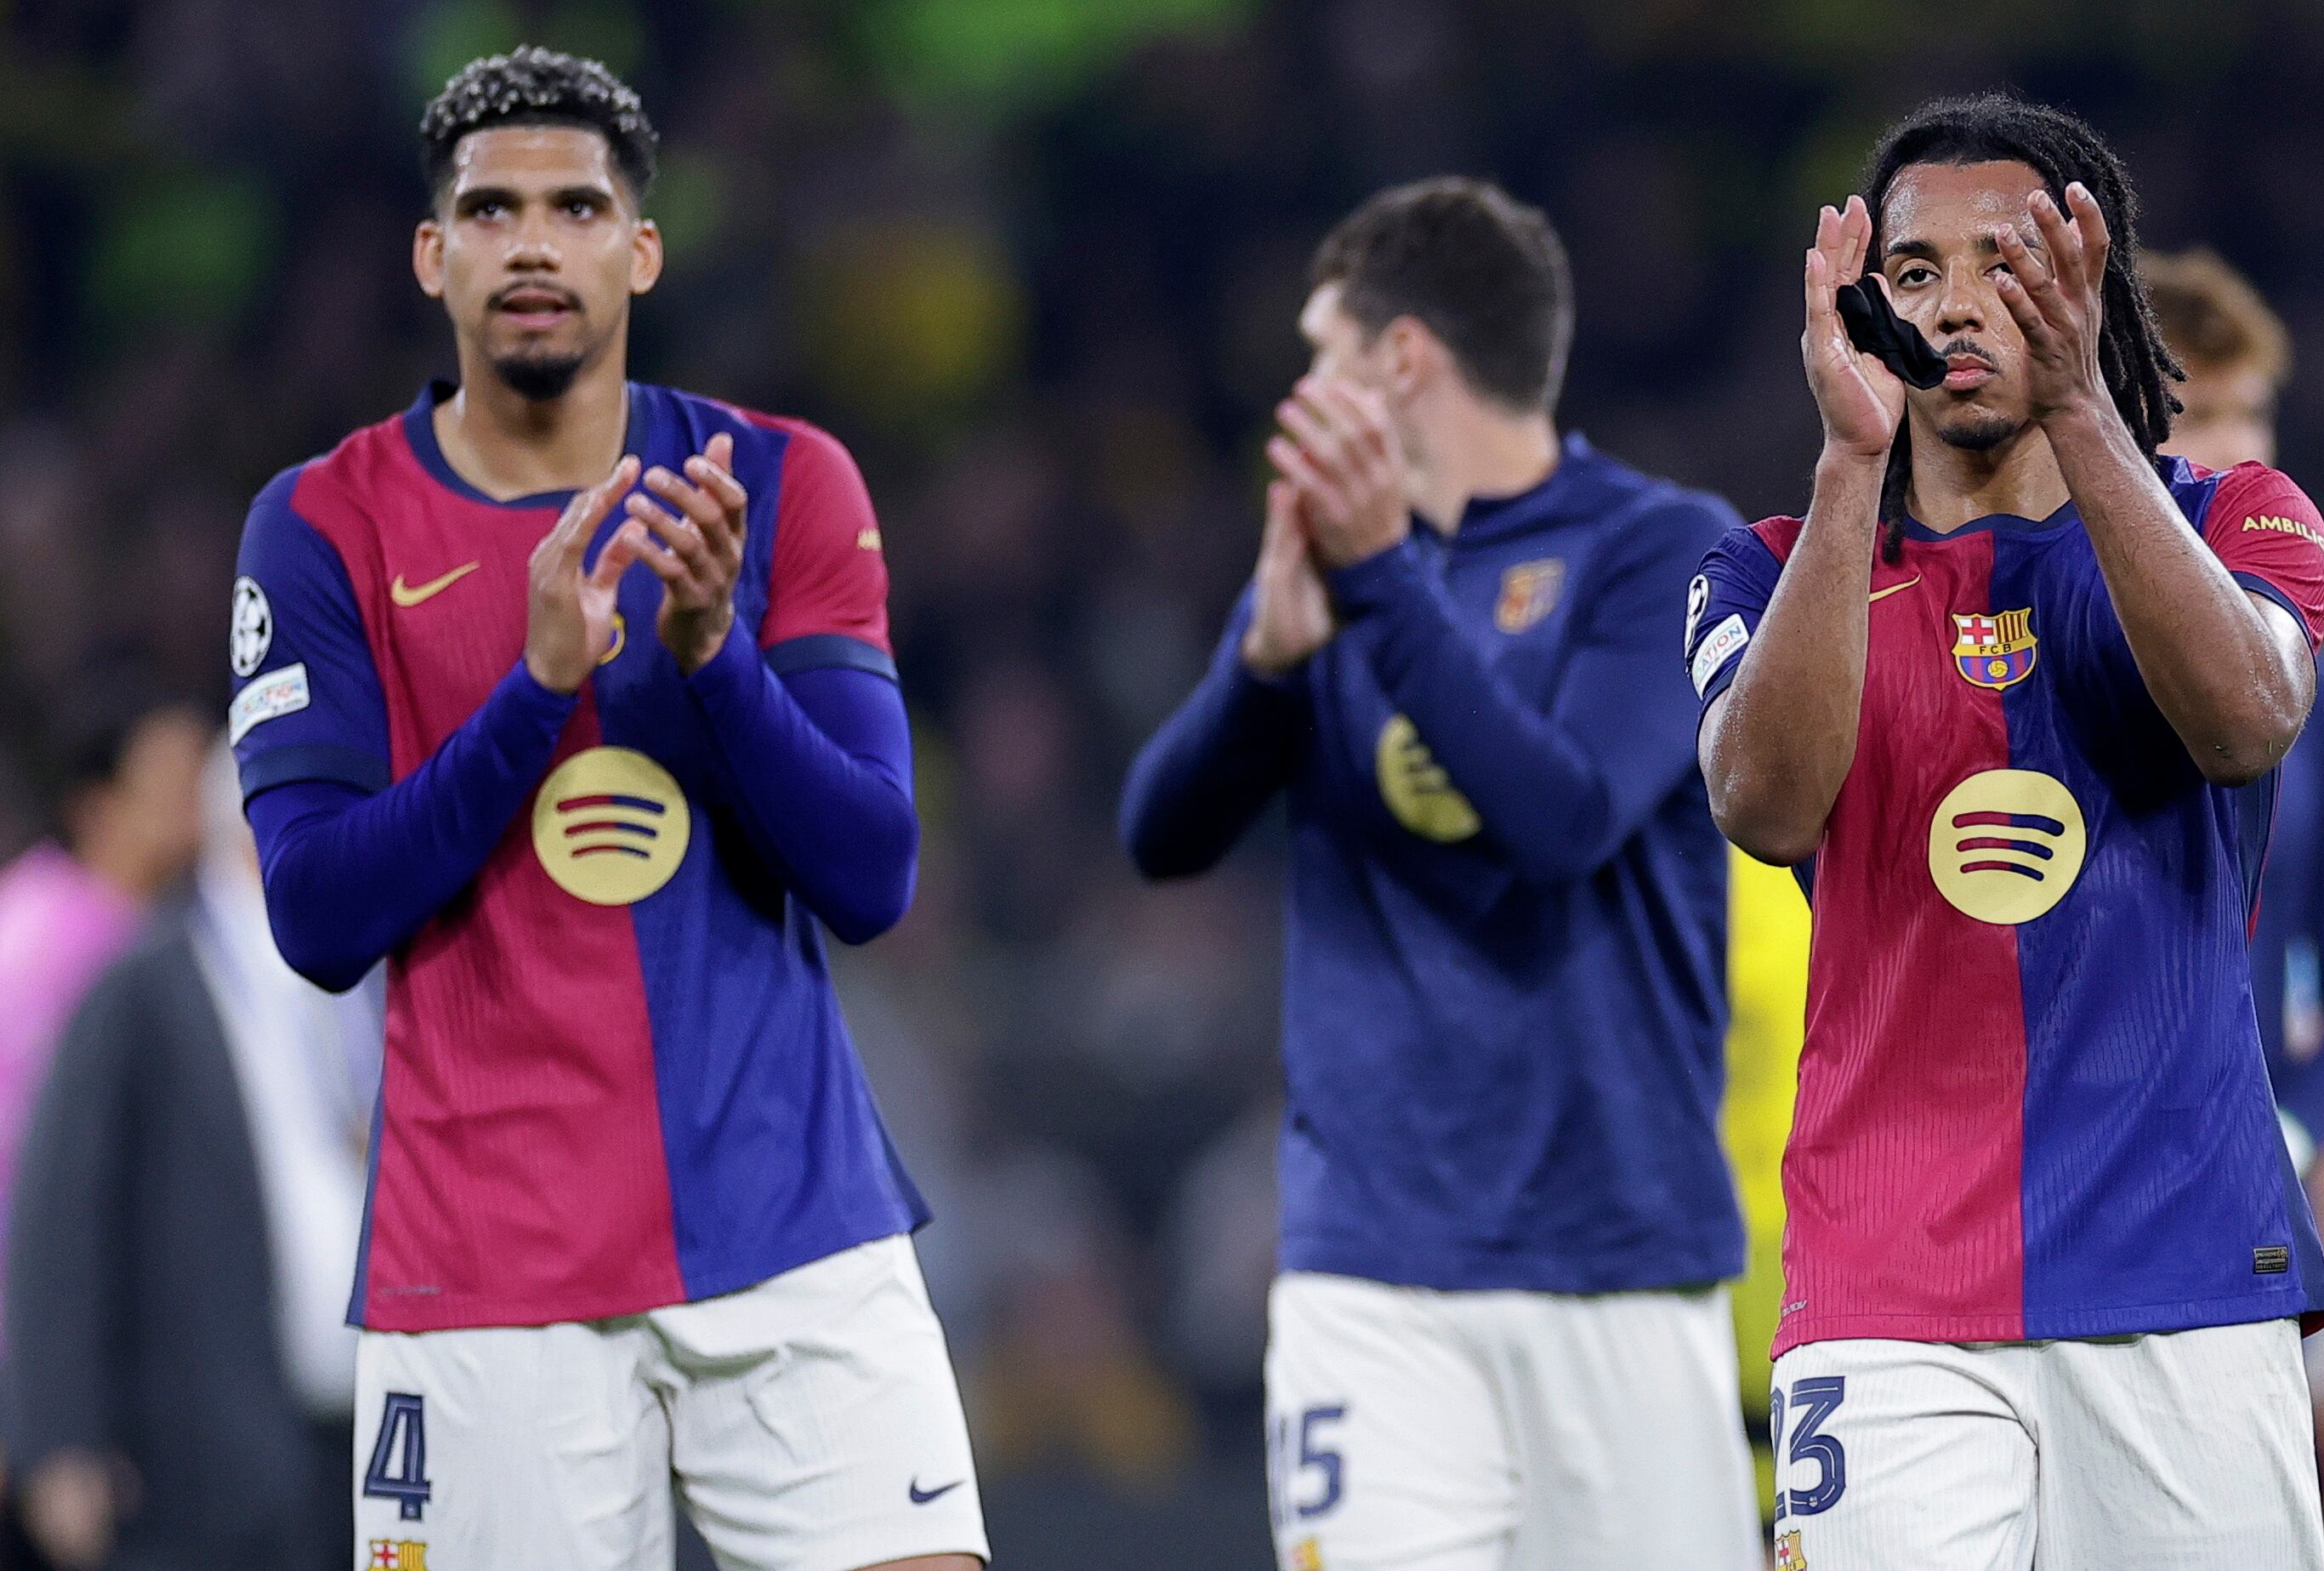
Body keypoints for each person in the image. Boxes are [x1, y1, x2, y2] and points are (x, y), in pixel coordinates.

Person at [225, 47, 982, 1571]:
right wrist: (531, 690)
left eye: (575, 206)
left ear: (639, 249)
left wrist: (714, 662)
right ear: (434, 259)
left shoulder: (777, 483)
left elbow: (871, 870)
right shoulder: (320, 523)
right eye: (491, 210)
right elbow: (314, 914)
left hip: (790, 1224)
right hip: (490, 1264)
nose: (532, 243)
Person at [1690, 94, 2324, 1567]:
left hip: (2187, 1272)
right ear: (1866, 309)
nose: (1957, 301)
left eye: (2010, 259)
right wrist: (1850, 465)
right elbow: (1764, 802)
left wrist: (2080, 416)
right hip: (1887, 1287)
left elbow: (2242, 720)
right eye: (1914, 272)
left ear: (2090, 289)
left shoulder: (2244, 515)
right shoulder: (1768, 568)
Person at [1121, 177, 1756, 1569]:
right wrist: (1259, 667)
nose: (1300, 388)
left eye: (1320, 351)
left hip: (1615, 1254)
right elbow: (1159, 835)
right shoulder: (1336, 568)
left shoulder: (1660, 551)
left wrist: (1382, 588)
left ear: (1398, 358)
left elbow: (1566, 814)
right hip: (1371, 1262)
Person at [5, 743, 375, 1571]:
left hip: (366, 1438)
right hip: (202, 1456)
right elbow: (61, 1210)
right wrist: (58, 1433)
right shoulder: (144, 983)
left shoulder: (368, 979)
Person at [2142, 248, 2324, 1184]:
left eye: (2251, 411)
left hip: (2234, 1216)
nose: (2239, 449)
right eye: (2198, 416)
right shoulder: (2007, 655)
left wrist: (2286, 1136)